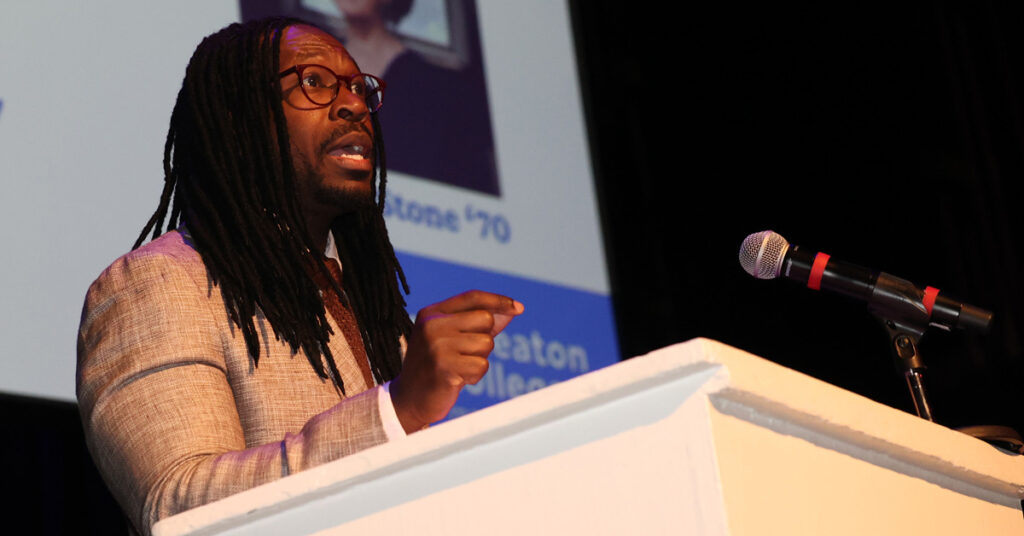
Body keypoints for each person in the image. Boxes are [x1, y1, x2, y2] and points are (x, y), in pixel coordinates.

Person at [76, 17, 522, 535]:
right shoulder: (159, 283)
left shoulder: (372, 313)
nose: (355, 104)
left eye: (359, 87)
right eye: (314, 82)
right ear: (242, 118)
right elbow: (180, 506)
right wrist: (395, 410)